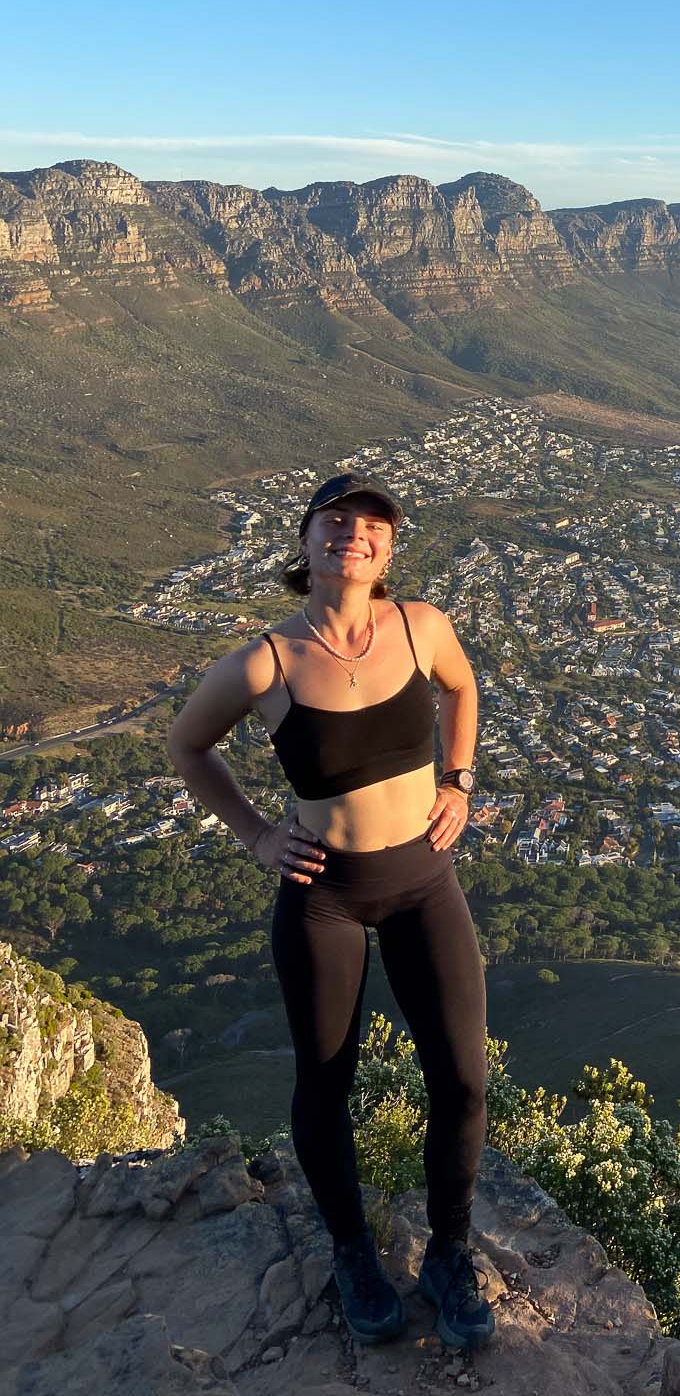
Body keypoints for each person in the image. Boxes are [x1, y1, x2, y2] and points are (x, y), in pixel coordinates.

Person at [167, 472, 493, 1349]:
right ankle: (352, 1251)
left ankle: (450, 1252)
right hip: (325, 899)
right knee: (325, 1083)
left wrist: (459, 780)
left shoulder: (421, 627)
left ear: (389, 552)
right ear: (306, 545)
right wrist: (255, 836)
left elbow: (462, 690)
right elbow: (187, 746)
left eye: (374, 525)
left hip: (424, 882)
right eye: (337, 521)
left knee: (463, 1078)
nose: (356, 533)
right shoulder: (266, 661)